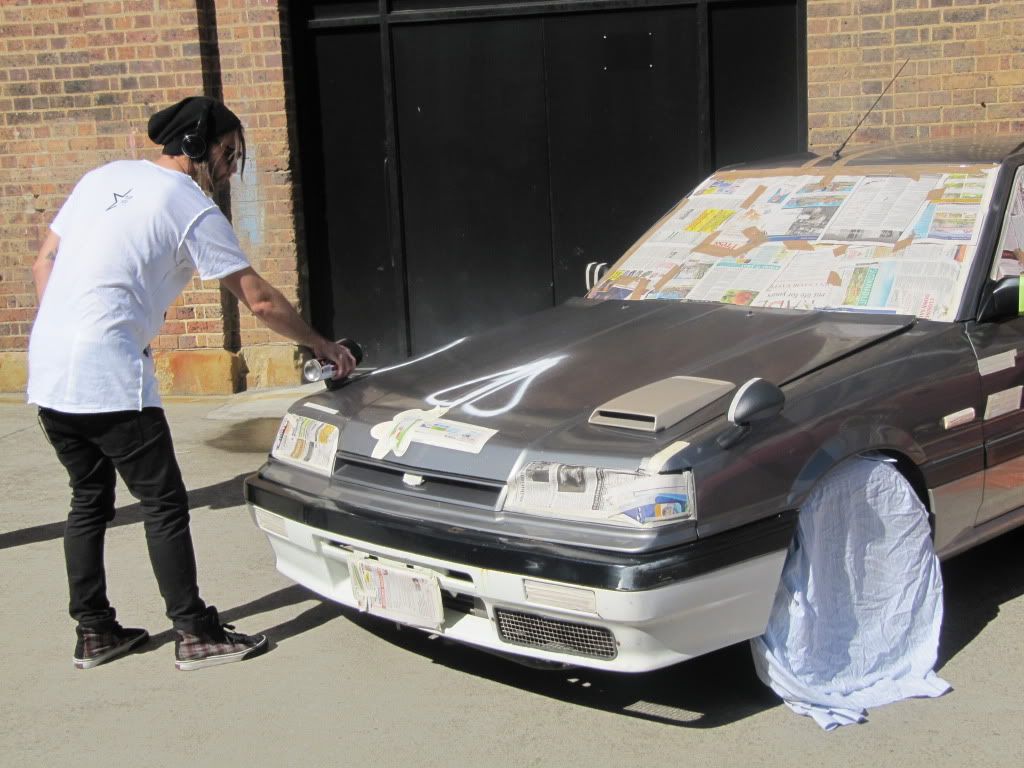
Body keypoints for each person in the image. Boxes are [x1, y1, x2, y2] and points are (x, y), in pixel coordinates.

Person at [28, 95, 357, 671]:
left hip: (50, 369)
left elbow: (43, 264)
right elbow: (258, 300)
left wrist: (66, 329)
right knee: (163, 504)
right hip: (109, 374)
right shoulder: (189, 206)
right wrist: (320, 344)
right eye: (228, 154)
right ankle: (195, 632)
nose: (230, 169)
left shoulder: (102, 178)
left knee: (88, 500)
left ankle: (95, 632)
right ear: (196, 145)